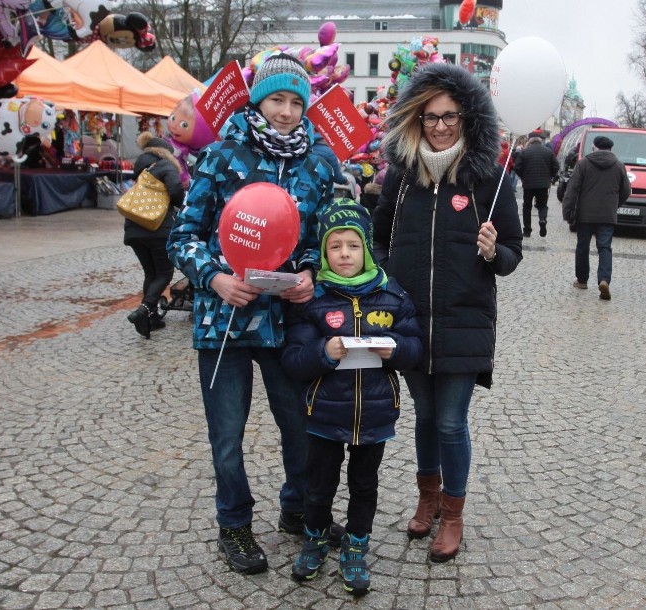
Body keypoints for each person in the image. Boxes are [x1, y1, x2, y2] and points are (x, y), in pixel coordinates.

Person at [167, 52, 336, 575]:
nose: (286, 111)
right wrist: (215, 279)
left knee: (301, 428)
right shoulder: (220, 156)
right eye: (276, 99)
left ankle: (295, 508)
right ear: (258, 99)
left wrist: (310, 274)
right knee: (227, 435)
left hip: (286, 324)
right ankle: (234, 524)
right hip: (224, 324)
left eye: (294, 101)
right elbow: (183, 236)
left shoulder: (318, 162)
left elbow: (319, 241)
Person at [372, 63, 524, 563]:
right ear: (416, 119)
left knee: (452, 422)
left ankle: (453, 515)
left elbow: (511, 258)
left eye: (450, 116)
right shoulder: (402, 176)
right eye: (431, 117)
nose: (440, 126)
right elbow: (378, 238)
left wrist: (490, 251)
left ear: (467, 117)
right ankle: (427, 498)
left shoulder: (489, 179)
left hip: (464, 320)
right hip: (411, 321)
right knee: (425, 417)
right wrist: (388, 276)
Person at [282, 198, 423, 595]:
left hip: (375, 416)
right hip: (324, 415)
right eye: (335, 246)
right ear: (324, 250)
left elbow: (416, 348)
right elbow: (294, 359)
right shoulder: (314, 300)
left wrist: (395, 348)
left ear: (367, 246)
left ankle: (356, 545)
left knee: (365, 485)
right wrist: (322, 354)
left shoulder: (391, 295)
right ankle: (314, 539)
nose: (345, 254)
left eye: (353, 245)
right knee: (319, 484)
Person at [125, 131, 185, 338]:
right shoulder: (165, 166)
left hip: (134, 228)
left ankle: (151, 317)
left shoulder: (141, 170)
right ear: (166, 153)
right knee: (165, 273)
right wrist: (182, 205)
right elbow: (176, 189)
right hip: (158, 228)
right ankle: (144, 310)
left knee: (151, 273)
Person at [561, 136, 630, 300]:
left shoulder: (583, 164)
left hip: (585, 215)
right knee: (605, 247)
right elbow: (626, 191)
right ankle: (604, 280)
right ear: (610, 149)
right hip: (607, 215)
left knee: (583, 247)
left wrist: (568, 211)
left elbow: (572, 189)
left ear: (594, 148)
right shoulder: (619, 165)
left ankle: (582, 280)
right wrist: (614, 205)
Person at [513, 135, 559, 237]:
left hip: (528, 184)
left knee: (527, 206)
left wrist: (523, 176)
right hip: (543, 184)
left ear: (531, 141)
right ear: (540, 141)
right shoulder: (548, 152)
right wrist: (550, 176)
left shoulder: (525, 152)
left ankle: (527, 230)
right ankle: (542, 219)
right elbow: (556, 166)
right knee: (542, 205)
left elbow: (517, 167)